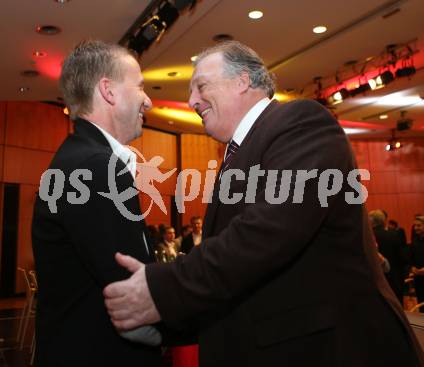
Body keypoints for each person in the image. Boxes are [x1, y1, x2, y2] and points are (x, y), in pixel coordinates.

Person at [103, 41, 424, 366]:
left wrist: (163, 287)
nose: (191, 101)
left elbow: (267, 233)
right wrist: (166, 325)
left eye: (200, 86)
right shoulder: (240, 153)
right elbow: (240, 281)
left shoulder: (301, 121)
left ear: (243, 80)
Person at [31, 40, 162, 366]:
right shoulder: (95, 166)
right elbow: (131, 296)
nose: (148, 100)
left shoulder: (76, 157)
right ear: (109, 91)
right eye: (140, 86)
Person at [369, 209, 405, 302]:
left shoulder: (368, 237)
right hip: (395, 279)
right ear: (383, 221)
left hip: (376, 280)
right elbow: (402, 258)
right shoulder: (394, 235)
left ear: (371, 222)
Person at [411, 216, 424, 311]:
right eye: (415, 225)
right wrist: (412, 268)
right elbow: (411, 258)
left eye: (419, 225)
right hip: (419, 278)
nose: (416, 228)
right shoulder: (415, 240)